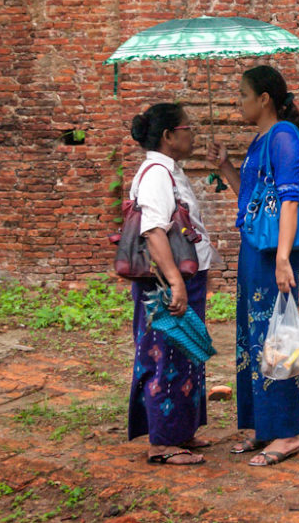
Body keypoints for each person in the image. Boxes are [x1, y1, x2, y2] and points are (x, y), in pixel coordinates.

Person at [207, 65, 299, 467]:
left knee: (277, 336)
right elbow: (249, 199)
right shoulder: (260, 141)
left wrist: (284, 258)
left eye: (244, 96)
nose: (240, 103)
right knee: (253, 336)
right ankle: (260, 425)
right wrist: (226, 166)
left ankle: (285, 433)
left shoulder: (284, 136)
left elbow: (289, 199)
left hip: (273, 252)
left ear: (264, 99)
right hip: (256, 246)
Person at [128, 103, 219, 465]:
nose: (192, 134)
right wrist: (175, 283)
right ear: (168, 136)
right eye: (187, 128)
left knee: (186, 354)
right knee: (164, 356)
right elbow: (153, 231)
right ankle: (162, 443)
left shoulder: (170, 171)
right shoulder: (155, 174)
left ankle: (181, 431)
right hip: (168, 285)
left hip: (184, 280)